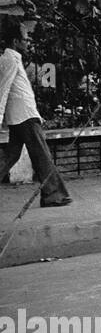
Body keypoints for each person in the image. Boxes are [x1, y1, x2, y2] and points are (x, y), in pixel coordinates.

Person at [0, 18, 72, 207]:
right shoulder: (9, 59)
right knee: (42, 155)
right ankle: (54, 194)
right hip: (24, 117)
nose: (28, 42)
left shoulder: (14, 58)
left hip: (23, 115)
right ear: (15, 41)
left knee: (11, 155)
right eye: (25, 39)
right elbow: (3, 90)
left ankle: (53, 194)